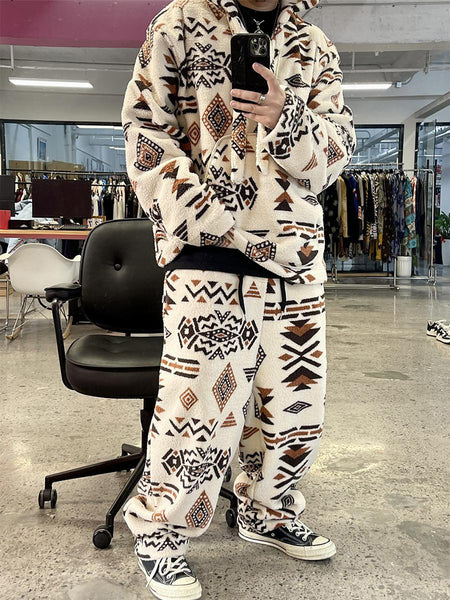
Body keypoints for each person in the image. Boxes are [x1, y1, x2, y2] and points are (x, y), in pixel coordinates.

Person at [121, 0, 356, 597]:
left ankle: (267, 512)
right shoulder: (177, 23)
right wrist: (206, 216)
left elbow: (335, 154)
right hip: (209, 255)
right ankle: (159, 533)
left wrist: (286, 116)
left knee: (294, 413)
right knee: (196, 414)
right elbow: (145, 131)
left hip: (293, 260)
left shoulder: (315, 45)